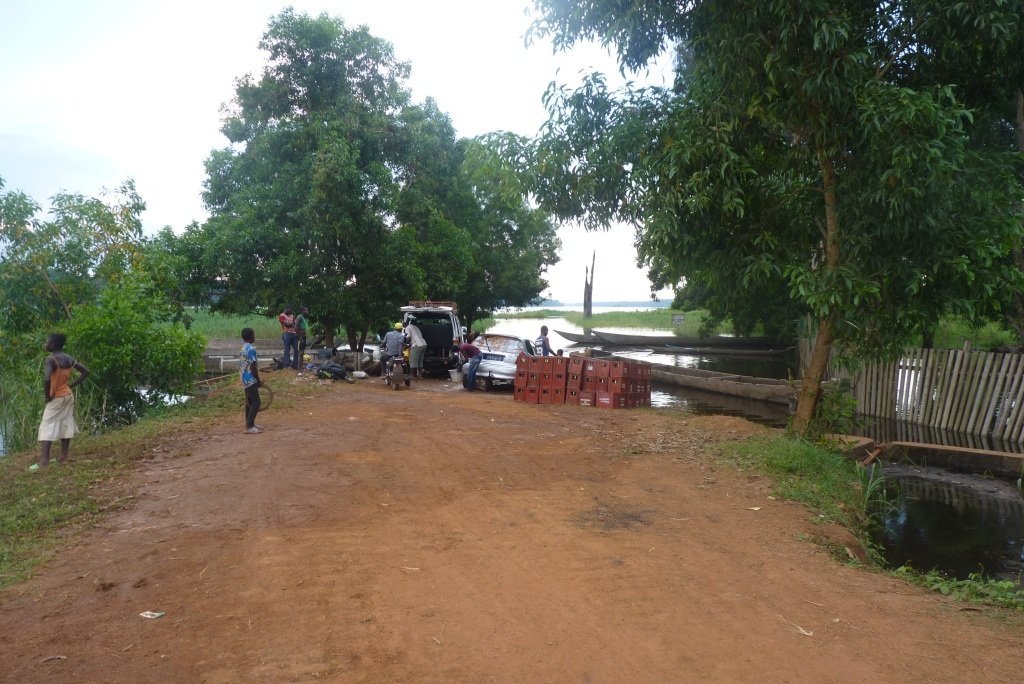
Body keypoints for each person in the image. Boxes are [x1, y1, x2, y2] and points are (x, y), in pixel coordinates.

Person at [33, 333, 90, 470]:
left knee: (47, 424)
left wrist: (48, 396)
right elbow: (86, 372)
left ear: (52, 345)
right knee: (65, 422)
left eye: (47, 342)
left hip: (57, 397)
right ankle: (63, 457)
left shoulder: (51, 360)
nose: (45, 344)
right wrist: (71, 386)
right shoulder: (68, 358)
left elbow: (47, 379)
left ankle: (44, 461)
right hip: (68, 396)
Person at [240, 327, 263, 434]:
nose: (254, 336)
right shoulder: (251, 349)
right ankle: (249, 426)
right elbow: (253, 367)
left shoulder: (243, 348)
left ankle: (250, 423)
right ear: (251, 336)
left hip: (243, 377)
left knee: (249, 401)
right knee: (256, 402)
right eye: (253, 335)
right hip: (250, 378)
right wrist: (258, 380)